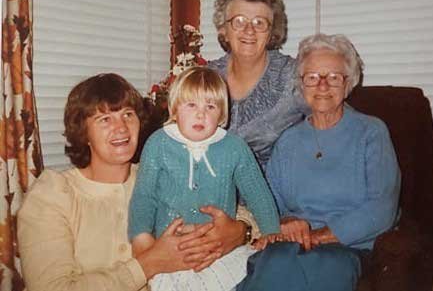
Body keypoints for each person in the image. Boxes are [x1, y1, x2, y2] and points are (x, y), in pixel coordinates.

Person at [16, 73, 236, 291]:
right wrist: (149, 264)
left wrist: (239, 230)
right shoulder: (53, 194)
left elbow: (230, 205)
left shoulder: (161, 175)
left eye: (128, 115)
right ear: (83, 133)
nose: (121, 127)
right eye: (104, 119)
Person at [237, 34, 402, 291]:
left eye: (334, 77)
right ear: (302, 85)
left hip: (345, 248)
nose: (322, 86)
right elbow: (271, 202)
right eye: (313, 77)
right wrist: (284, 221)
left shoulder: (371, 133)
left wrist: (318, 237)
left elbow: (382, 209)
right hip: (290, 246)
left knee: (323, 271)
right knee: (272, 265)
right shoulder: (288, 141)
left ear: (348, 84)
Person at [128, 67, 281, 291]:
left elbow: (258, 193)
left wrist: (271, 232)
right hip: (172, 249)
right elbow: (144, 196)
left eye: (210, 106)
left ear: (221, 114)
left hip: (220, 248)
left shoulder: (234, 147)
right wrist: (141, 237)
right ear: (174, 108)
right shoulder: (158, 144)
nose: (201, 114)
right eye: (191, 105)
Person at [209, 0, 307, 171]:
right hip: (212, 193)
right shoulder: (206, 77)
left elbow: (335, 118)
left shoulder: (293, 75)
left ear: (271, 33)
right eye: (239, 21)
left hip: (272, 195)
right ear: (223, 30)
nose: (249, 30)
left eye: (259, 23)